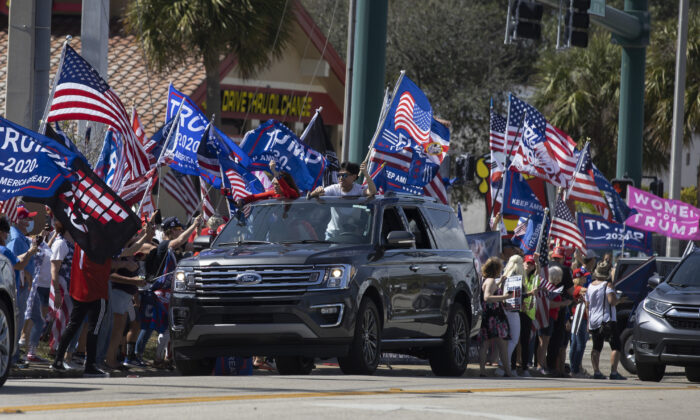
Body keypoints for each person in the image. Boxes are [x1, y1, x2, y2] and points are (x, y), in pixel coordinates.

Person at [50, 238, 112, 377]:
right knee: (93, 329)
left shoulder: (81, 241)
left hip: (80, 289)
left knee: (73, 325)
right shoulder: (101, 244)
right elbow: (114, 259)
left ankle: (58, 360)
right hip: (96, 290)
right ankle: (90, 366)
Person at [6, 206, 40, 365]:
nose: (29, 221)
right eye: (25, 218)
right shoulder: (15, 238)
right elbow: (13, 261)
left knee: (20, 321)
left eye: (30, 218)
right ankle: (12, 357)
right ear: (16, 219)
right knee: (16, 322)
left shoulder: (20, 236)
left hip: (23, 285)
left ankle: (14, 356)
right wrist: (26, 272)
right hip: (18, 285)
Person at [586, 261, 626, 380]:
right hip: (607, 319)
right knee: (616, 346)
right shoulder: (607, 285)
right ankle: (613, 372)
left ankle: (596, 371)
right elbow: (612, 301)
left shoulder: (590, 286)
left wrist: (588, 321)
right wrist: (620, 300)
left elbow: (587, 305)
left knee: (596, 346)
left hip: (594, 320)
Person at [478, 257, 513, 377]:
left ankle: (482, 371)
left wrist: (500, 282)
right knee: (503, 345)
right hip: (495, 316)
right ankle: (508, 372)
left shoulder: (486, 280)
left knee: (485, 344)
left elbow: (490, 290)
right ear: (497, 269)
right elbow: (487, 297)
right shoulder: (491, 281)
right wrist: (505, 297)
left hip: (487, 315)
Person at [25, 226, 55, 362]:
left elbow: (48, 252)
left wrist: (49, 236)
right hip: (36, 286)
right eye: (35, 237)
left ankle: (31, 349)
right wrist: (36, 239)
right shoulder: (30, 245)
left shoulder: (43, 245)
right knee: (34, 320)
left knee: (40, 319)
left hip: (46, 287)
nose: (37, 238)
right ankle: (29, 349)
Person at [536, 265, 572, 376]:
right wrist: (563, 303)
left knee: (545, 342)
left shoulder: (551, 287)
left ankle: (543, 364)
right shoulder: (550, 288)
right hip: (547, 317)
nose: (560, 279)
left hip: (551, 317)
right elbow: (549, 304)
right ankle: (540, 365)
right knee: (543, 342)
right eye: (559, 276)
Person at [547, 246, 575, 377]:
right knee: (556, 338)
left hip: (542, 306)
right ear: (562, 258)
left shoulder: (543, 266)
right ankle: (552, 366)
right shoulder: (564, 269)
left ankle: (539, 364)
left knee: (541, 338)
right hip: (559, 306)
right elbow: (571, 291)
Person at [515, 254, 540, 377]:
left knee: (525, 341)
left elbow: (538, 273)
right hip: (518, 311)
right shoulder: (518, 276)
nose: (530, 266)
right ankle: (513, 366)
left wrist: (538, 262)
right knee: (515, 340)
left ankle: (524, 367)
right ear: (523, 263)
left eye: (532, 264)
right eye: (528, 263)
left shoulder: (533, 278)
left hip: (528, 314)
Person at [501, 255, 523, 377]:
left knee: (506, 339)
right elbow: (517, 295)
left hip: (504, 308)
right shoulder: (516, 276)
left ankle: (504, 364)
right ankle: (504, 364)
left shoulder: (505, 275)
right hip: (512, 309)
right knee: (514, 339)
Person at [308, 161, 377, 198]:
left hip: (355, 224)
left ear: (354, 177)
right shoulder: (333, 188)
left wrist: (366, 174)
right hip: (334, 225)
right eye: (339, 175)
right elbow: (312, 196)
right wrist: (315, 192)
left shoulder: (359, 189)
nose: (341, 178)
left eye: (344, 175)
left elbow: (373, 192)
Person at [569, 268, 589, 377]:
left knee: (576, 344)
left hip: (580, 318)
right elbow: (587, 291)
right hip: (580, 318)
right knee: (579, 344)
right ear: (578, 278)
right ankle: (575, 369)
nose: (585, 278)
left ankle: (575, 369)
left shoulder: (577, 288)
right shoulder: (578, 288)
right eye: (583, 276)